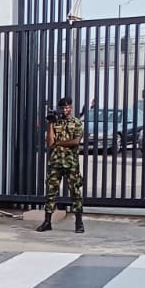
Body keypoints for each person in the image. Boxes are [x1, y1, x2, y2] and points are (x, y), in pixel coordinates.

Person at [37, 97, 84, 234]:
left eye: (67, 107)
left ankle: (79, 222)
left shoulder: (76, 122)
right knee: (51, 193)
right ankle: (47, 221)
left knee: (75, 192)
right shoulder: (55, 122)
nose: (65, 110)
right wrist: (50, 124)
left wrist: (59, 143)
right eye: (62, 108)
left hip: (71, 163)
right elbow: (50, 142)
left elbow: (76, 141)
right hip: (56, 162)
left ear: (71, 108)